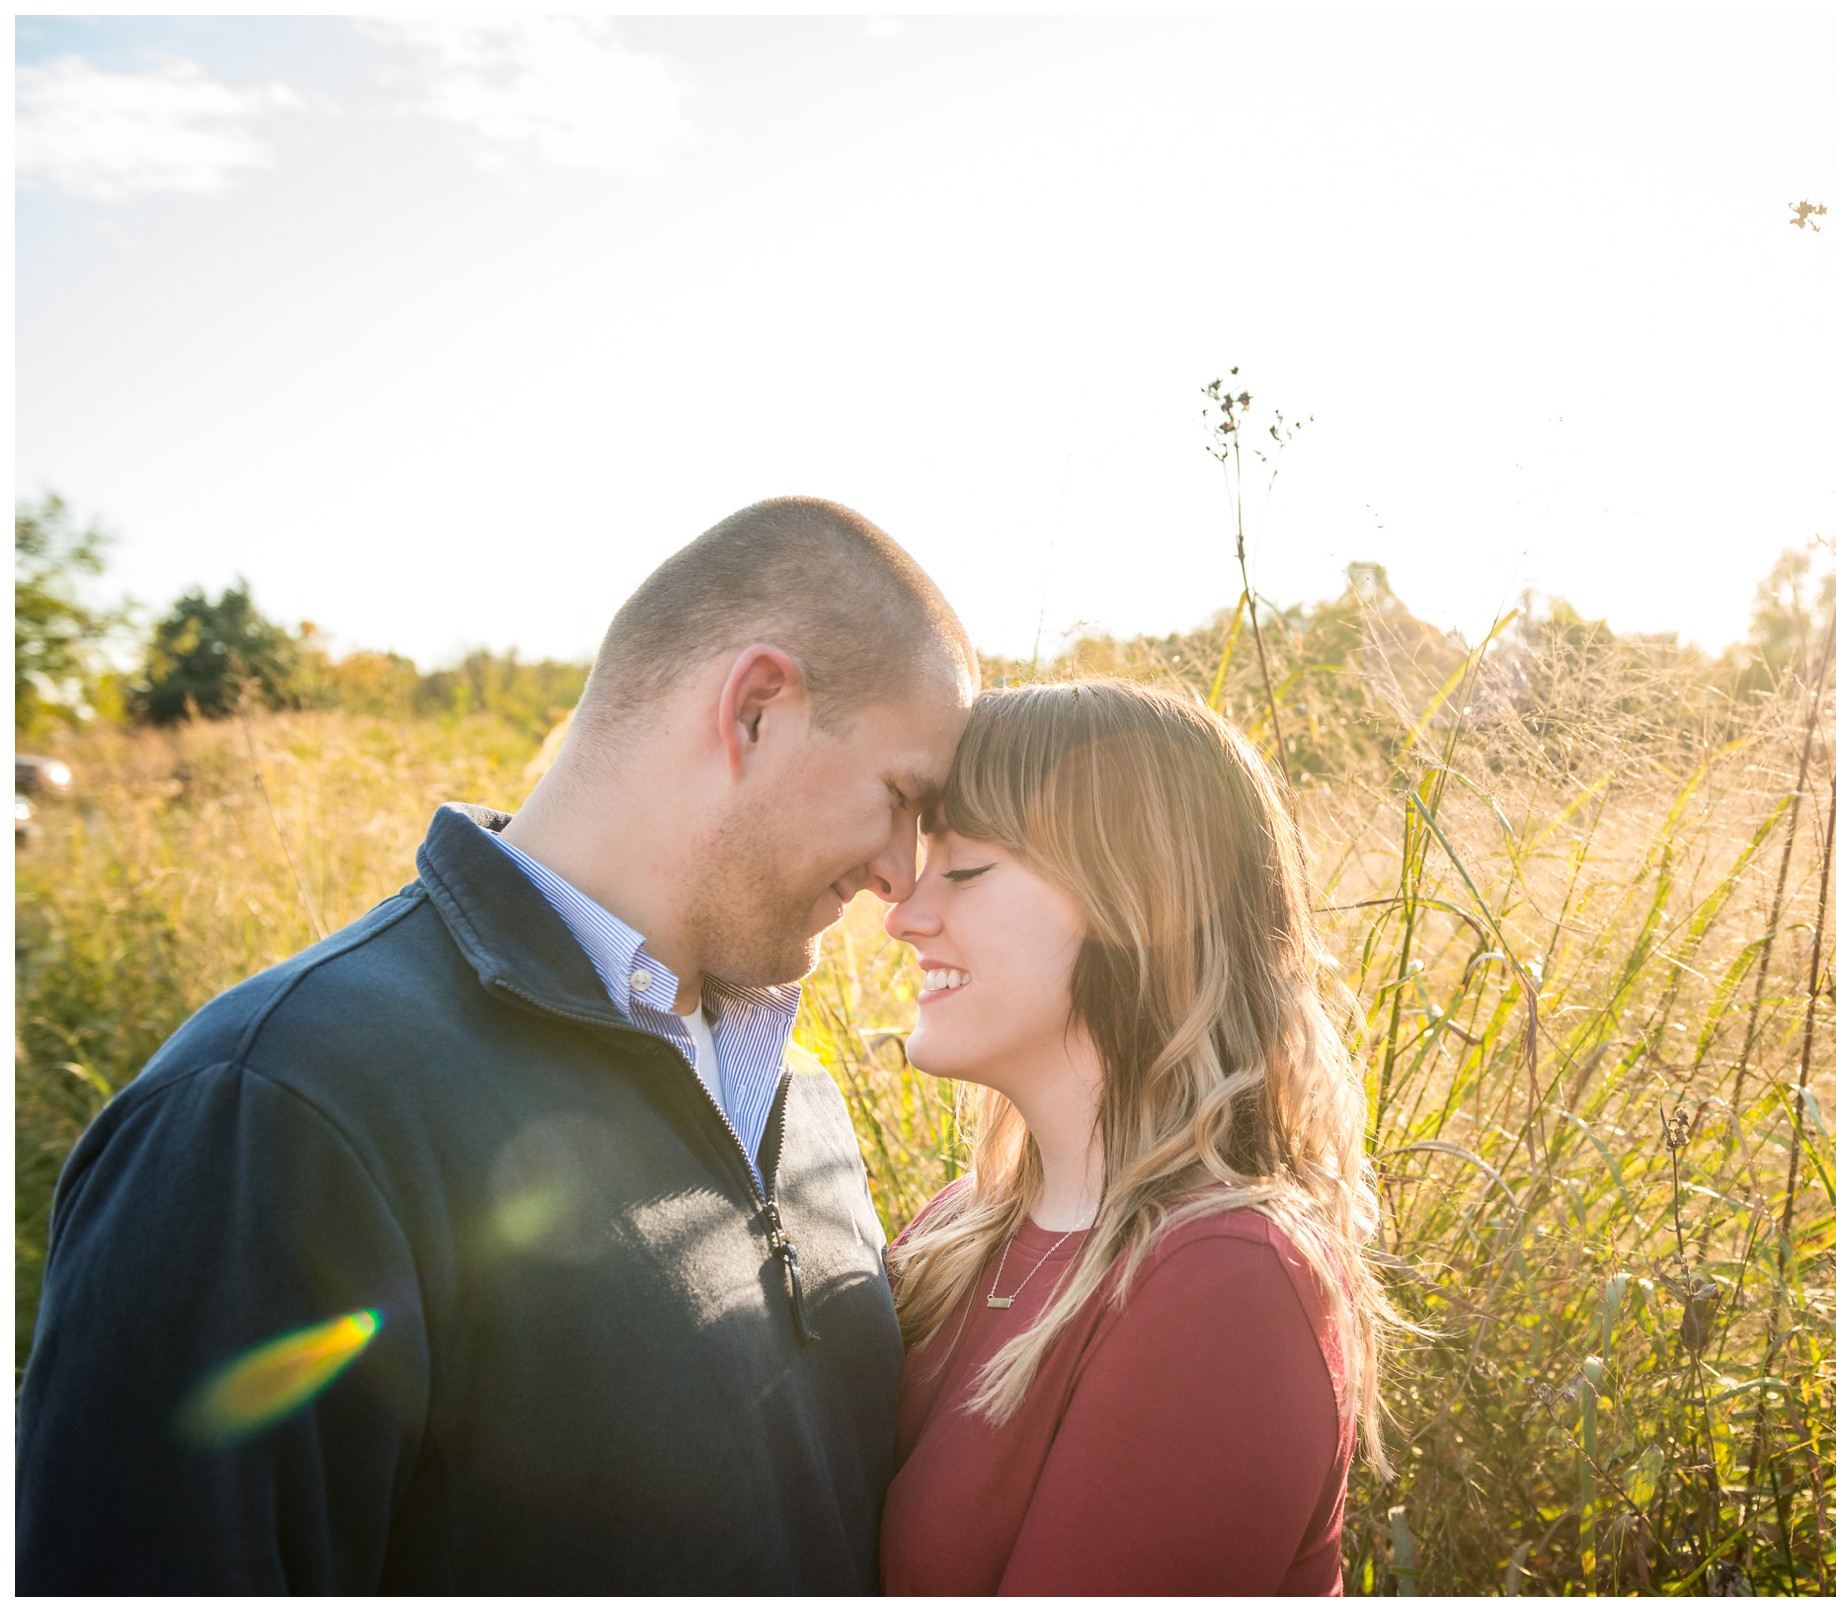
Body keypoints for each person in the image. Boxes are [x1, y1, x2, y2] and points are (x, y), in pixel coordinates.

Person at [15, 497, 976, 1593]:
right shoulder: (272, 1106)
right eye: (902, 798)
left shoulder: (802, 1099)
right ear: (754, 708)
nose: (904, 871)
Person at [877, 679, 1393, 1595]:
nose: (905, 914)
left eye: (961, 868)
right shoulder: (954, 1234)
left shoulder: (1228, 1281)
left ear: (1138, 907)